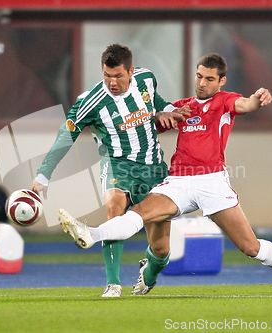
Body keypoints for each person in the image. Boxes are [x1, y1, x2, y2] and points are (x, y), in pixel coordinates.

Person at [60, 53, 272, 296]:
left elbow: (246, 104)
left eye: (209, 79)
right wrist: (160, 115)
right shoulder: (183, 107)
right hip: (179, 182)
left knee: (250, 247)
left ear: (221, 81)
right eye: (199, 76)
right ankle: (90, 234)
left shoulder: (224, 101)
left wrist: (258, 97)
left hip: (212, 183)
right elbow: (150, 125)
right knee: (137, 214)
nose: (202, 83)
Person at [31, 44, 184, 297]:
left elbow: (154, 100)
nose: (112, 82)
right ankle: (113, 283)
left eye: (118, 76)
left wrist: (167, 111)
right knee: (114, 205)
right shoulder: (90, 101)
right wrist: (43, 175)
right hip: (117, 164)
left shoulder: (146, 79)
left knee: (160, 248)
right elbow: (65, 136)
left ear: (131, 71)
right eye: (107, 76)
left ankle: (150, 271)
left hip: (153, 168)